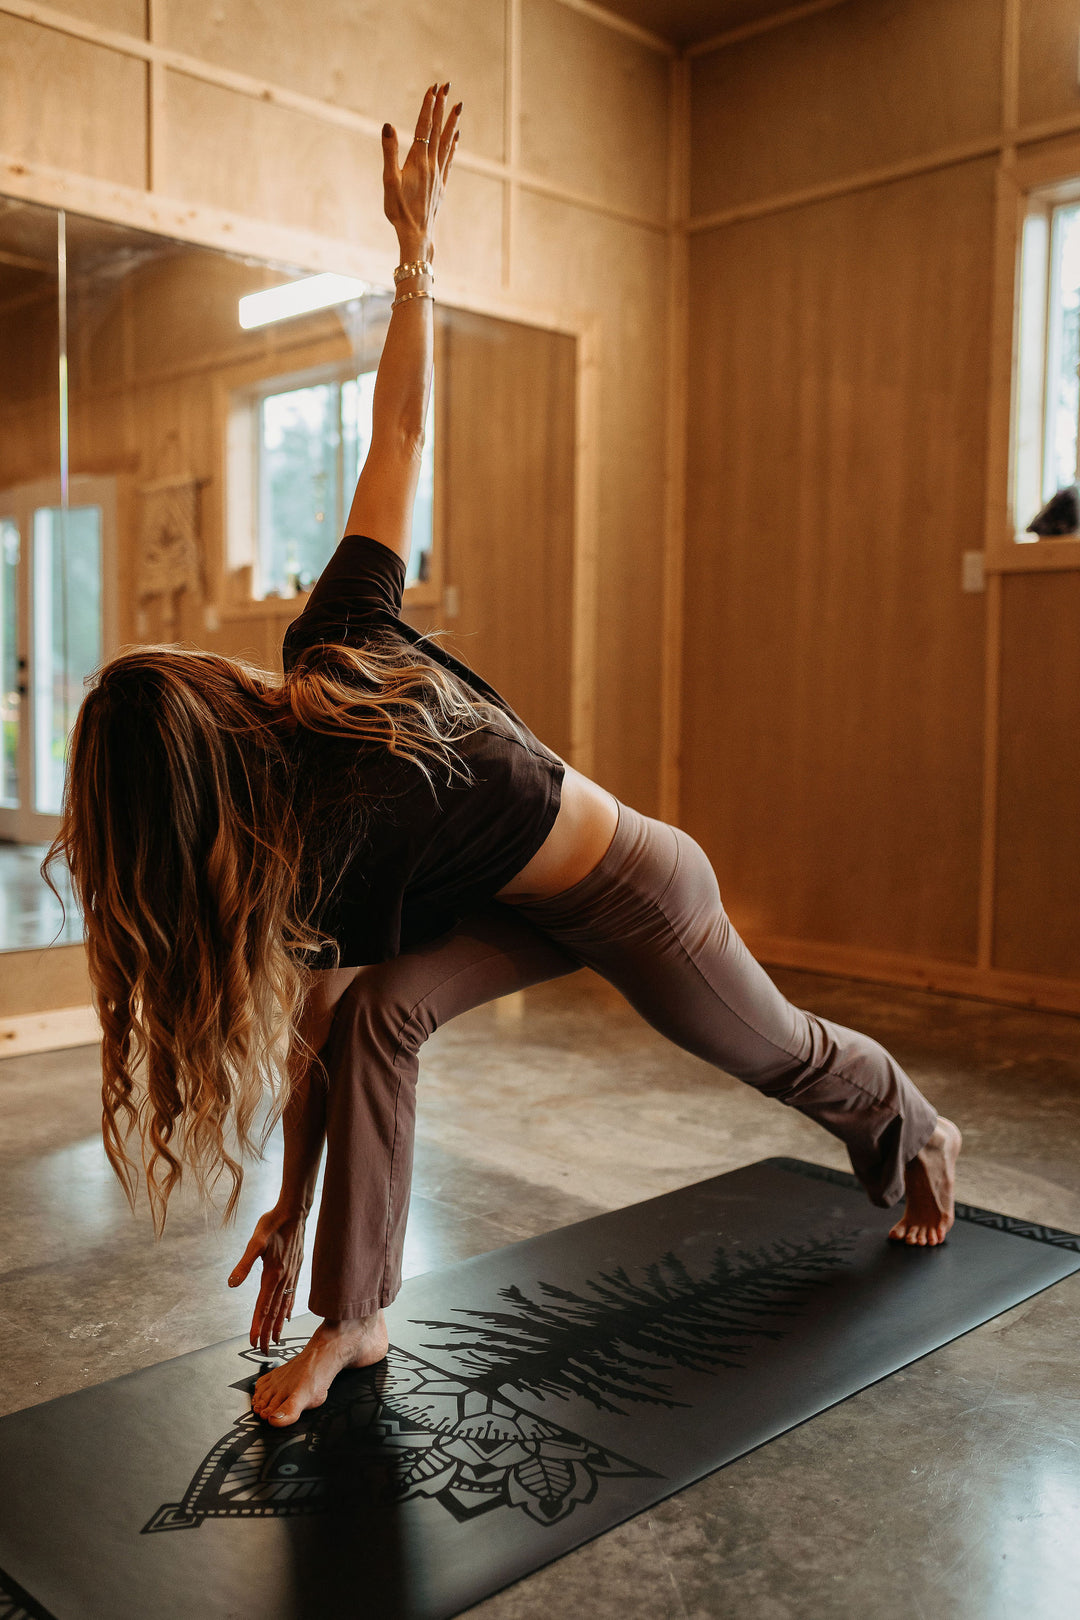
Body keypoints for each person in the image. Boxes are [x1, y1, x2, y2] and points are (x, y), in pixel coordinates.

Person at [49, 85, 961, 1432]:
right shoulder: (310, 784)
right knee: (376, 1017)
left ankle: (915, 1127)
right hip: (506, 898)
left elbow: (400, 440)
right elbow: (323, 1042)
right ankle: (355, 1323)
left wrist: (416, 254)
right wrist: (293, 1211)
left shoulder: (337, 679)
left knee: (776, 1053)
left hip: (636, 888)